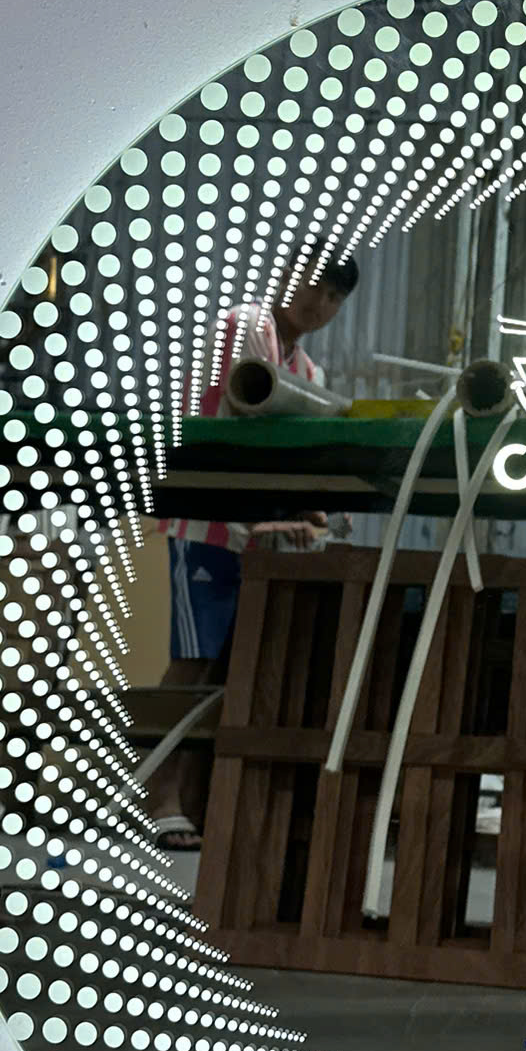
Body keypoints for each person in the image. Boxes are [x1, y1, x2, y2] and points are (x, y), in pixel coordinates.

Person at [146, 242, 358, 828]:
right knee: (193, 661)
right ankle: (157, 797)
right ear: (286, 274)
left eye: (334, 296)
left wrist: (305, 511)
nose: (320, 303)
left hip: (252, 532)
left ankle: (192, 801)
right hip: (207, 520)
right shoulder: (245, 327)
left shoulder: (307, 370)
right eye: (314, 284)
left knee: (222, 669)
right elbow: (246, 423)